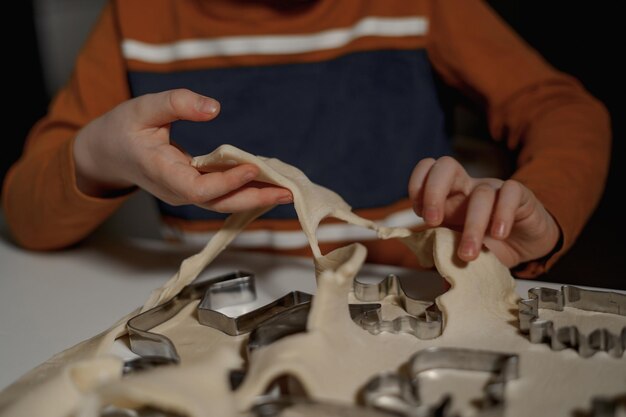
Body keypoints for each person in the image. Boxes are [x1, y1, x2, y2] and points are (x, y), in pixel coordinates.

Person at [1, 0, 610, 278]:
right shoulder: (137, 18)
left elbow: (560, 108)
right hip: (223, 314)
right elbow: (25, 217)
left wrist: (538, 209)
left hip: (410, 288)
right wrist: (96, 156)